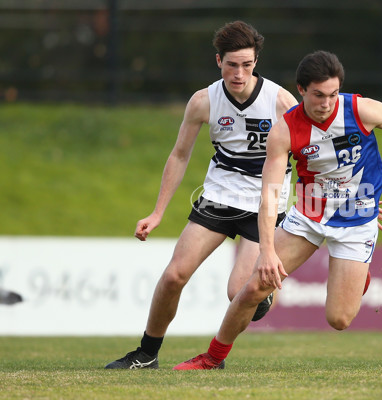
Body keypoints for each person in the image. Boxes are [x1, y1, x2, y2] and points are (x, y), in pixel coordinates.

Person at [173, 50, 382, 370]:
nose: (326, 103)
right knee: (253, 287)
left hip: (357, 221)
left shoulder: (360, 110)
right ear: (301, 90)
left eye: (332, 94)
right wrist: (267, 251)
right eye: (318, 95)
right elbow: (270, 195)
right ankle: (212, 358)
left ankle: (359, 276)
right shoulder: (285, 130)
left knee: (339, 319)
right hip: (309, 216)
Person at [104, 21, 299, 370]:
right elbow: (179, 156)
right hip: (220, 196)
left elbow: (312, 152)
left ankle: (247, 313)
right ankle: (147, 354)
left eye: (247, 65)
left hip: (264, 203)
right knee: (174, 275)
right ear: (218, 61)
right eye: (231, 65)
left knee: (237, 291)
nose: (238, 74)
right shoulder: (203, 102)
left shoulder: (281, 101)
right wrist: (157, 212)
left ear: (256, 63)